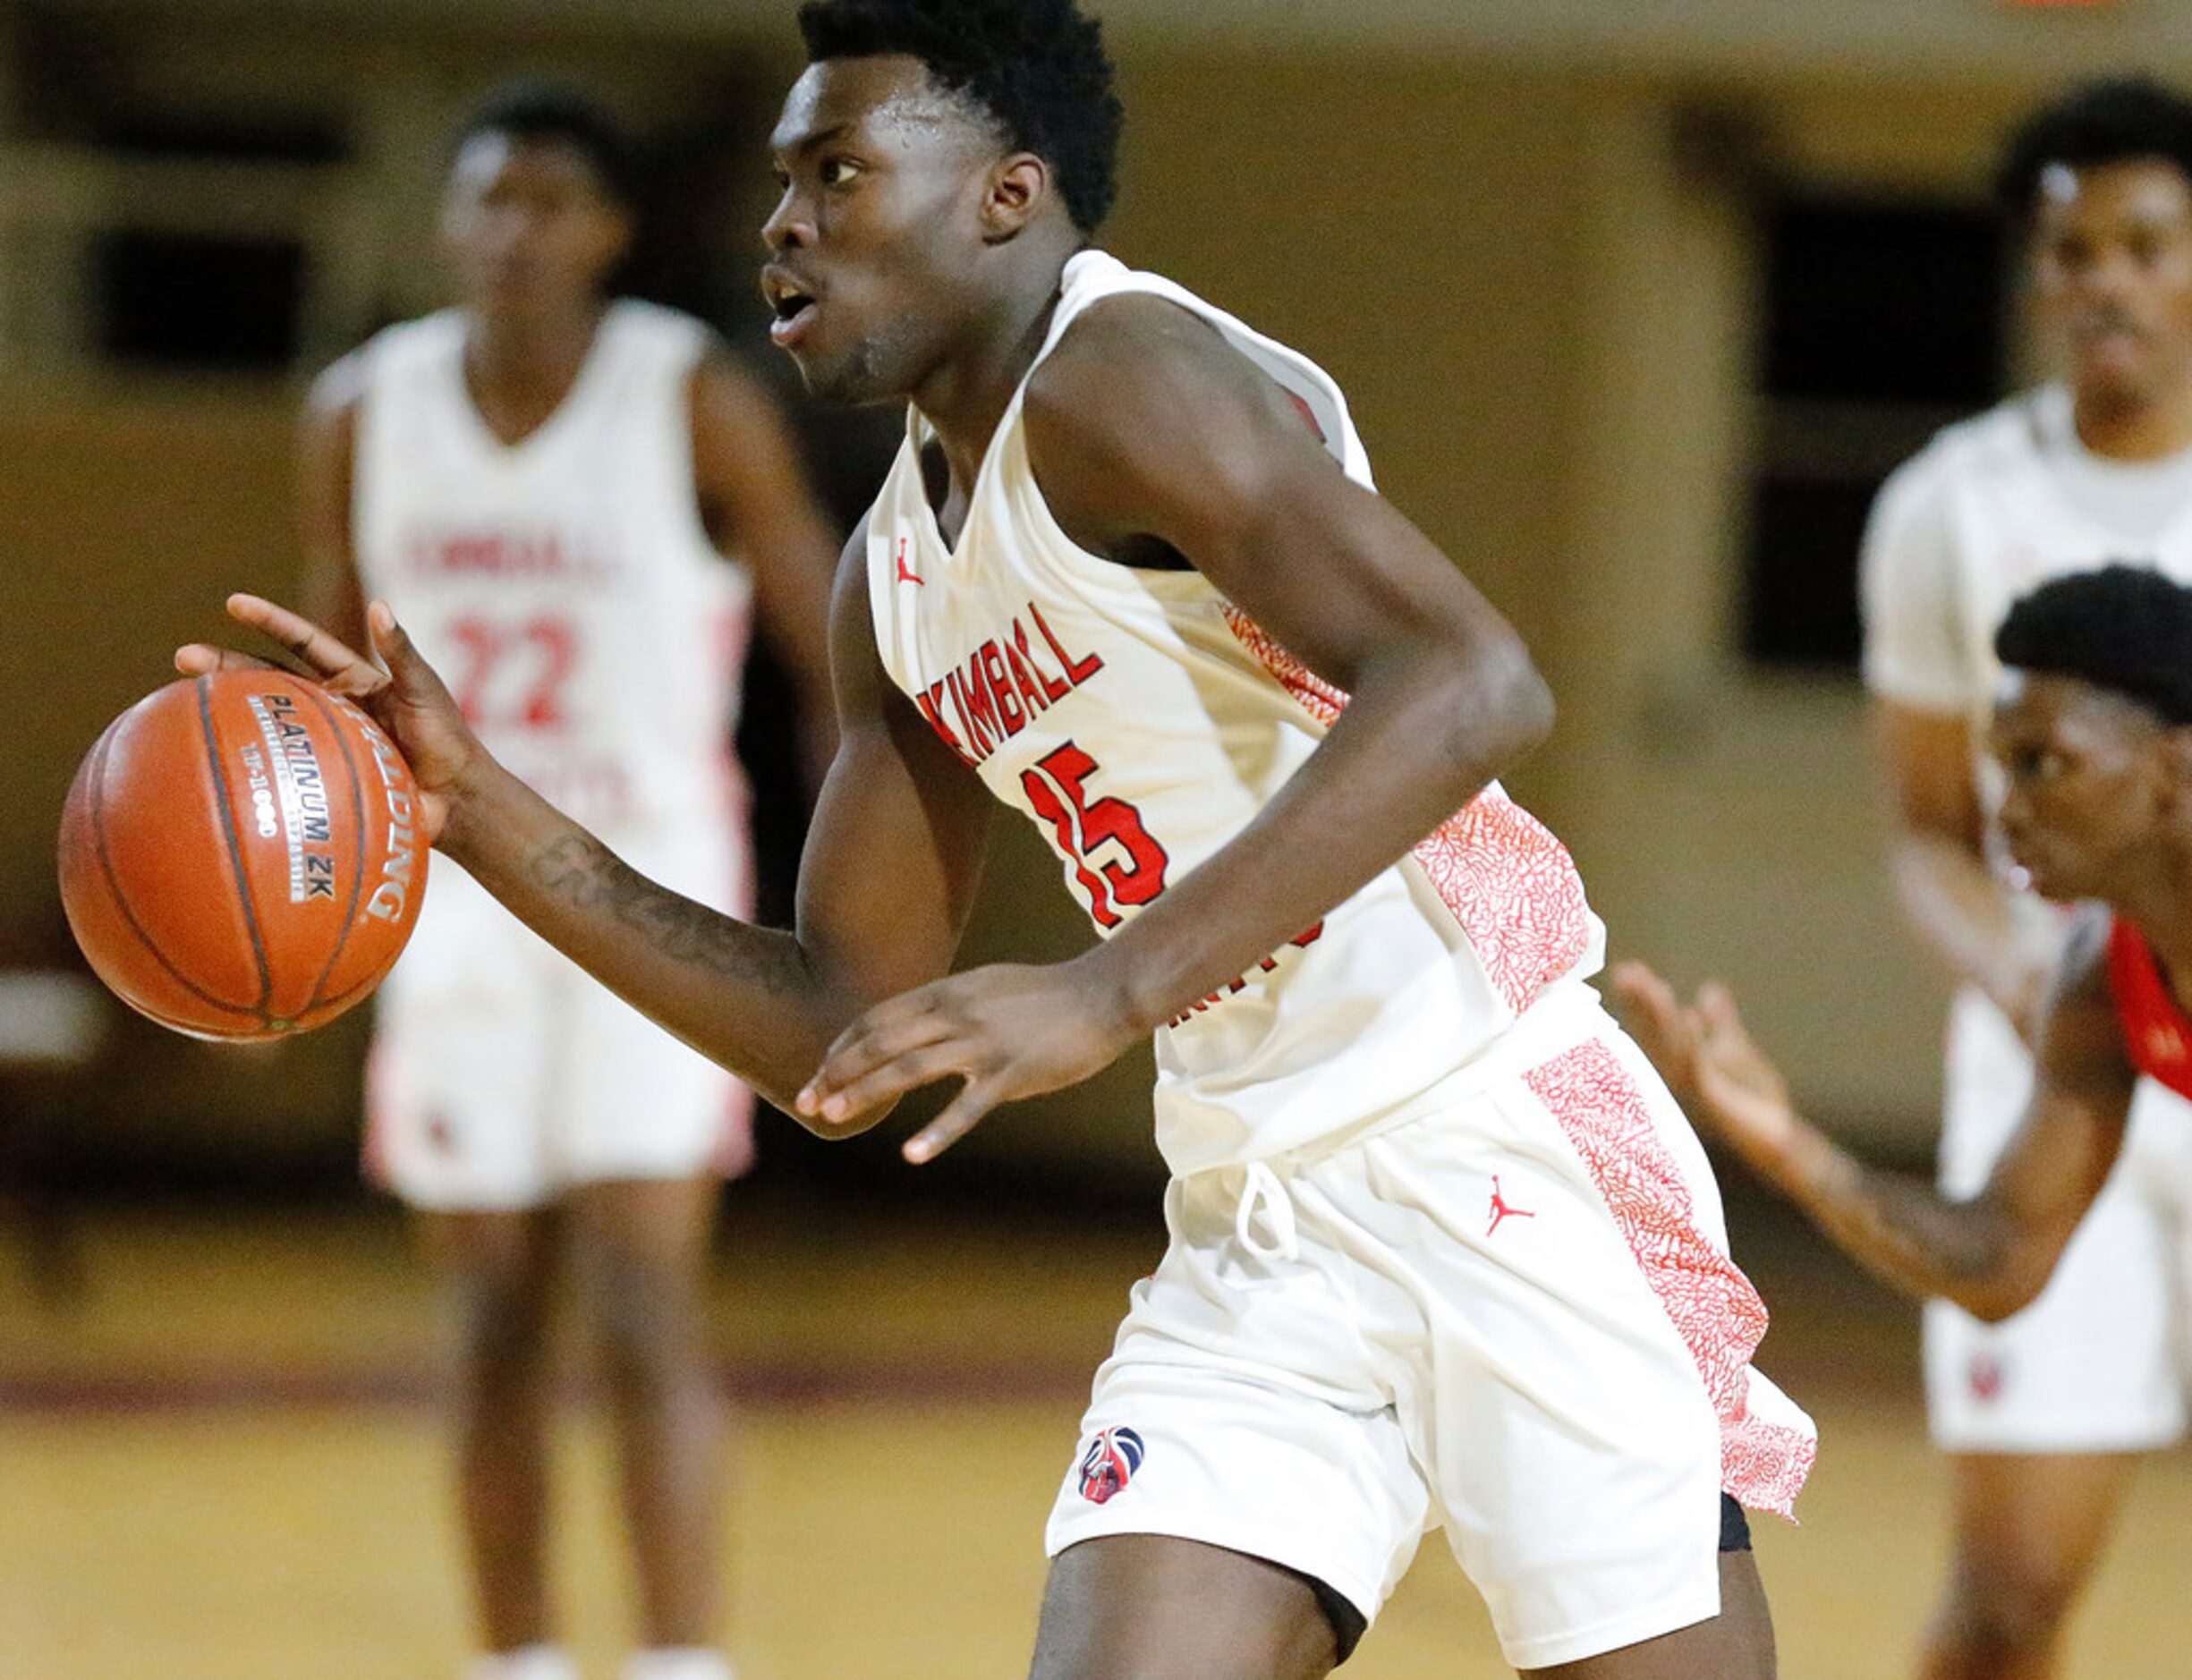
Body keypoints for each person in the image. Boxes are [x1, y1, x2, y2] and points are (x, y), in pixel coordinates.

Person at [196, 4, 1813, 1675]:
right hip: (1260, 1204)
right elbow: (842, 1024)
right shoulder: (894, 574)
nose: (784, 222)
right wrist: (478, 814)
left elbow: (1475, 680)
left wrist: (1111, 991)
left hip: (1493, 1137)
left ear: (1007, 197)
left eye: (839, 171)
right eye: (778, 180)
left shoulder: (1124, 375)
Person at [296, 82, 841, 1680]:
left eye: (549, 202)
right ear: (449, 226)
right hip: (448, 895)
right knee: (487, 1316)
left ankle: (682, 1658)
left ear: (607, 232)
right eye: (488, 201)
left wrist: (843, 898)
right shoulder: (362, 403)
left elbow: (831, 648)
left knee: (642, 1293)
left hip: (642, 882)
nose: (514, 231)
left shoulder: (687, 393)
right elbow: (327, 671)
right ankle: (517, 1656)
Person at [1620, 564, 2192, 1668]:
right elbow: (2000, 1261)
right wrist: (1788, 1143)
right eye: (1996, 767)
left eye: (2044, 765)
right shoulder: (2097, 969)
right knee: (2002, 1605)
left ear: (2173, 768)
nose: (2003, 809)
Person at [1850, 76, 2192, 1680]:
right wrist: (2033, 984)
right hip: (2067, 1058)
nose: (2105, 280)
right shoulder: (1950, 505)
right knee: (2008, 1599)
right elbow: (1927, 826)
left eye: (2144, 242)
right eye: (2070, 251)